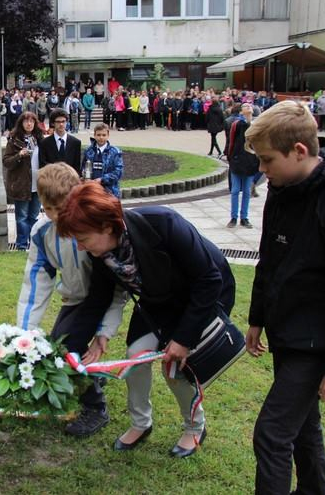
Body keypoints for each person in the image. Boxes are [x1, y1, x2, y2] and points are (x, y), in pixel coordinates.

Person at [57, 182, 235, 458]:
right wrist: (70, 347)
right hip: (158, 302)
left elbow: (209, 280)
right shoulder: (100, 253)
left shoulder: (164, 223)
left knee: (174, 367)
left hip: (201, 298)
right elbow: (97, 300)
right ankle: (141, 423)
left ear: (106, 226)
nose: (79, 246)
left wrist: (184, 339)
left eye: (83, 237)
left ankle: (194, 428)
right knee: (133, 356)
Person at [244, 100, 325, 495]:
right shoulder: (282, 187)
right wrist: (257, 316)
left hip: (317, 344)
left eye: (267, 160)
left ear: (300, 151)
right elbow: (269, 259)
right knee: (304, 429)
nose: (261, 170)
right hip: (286, 335)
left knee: (272, 435)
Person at [17, 162, 121, 436]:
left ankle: (95, 407)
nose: (55, 217)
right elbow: (36, 282)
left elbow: (118, 285)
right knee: (56, 347)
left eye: (61, 210)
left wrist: (104, 331)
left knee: (67, 347)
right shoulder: (42, 233)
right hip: (74, 299)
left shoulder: (95, 226)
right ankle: (93, 374)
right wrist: (23, 333)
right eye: (49, 209)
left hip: (102, 298)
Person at [3, 112, 44, 250]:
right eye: (26, 121)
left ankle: (33, 244)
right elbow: (6, 162)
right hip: (21, 185)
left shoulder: (40, 139)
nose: (29, 124)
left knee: (33, 216)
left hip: (37, 185)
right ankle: (21, 245)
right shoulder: (14, 140)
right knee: (22, 217)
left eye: (32, 121)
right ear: (21, 123)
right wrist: (19, 155)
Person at [225, 103, 258, 228]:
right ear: (241, 111)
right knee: (234, 191)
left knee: (246, 192)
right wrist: (230, 156)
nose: (249, 106)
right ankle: (233, 217)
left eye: (250, 105)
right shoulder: (237, 124)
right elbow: (232, 140)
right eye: (245, 106)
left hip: (250, 162)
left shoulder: (255, 125)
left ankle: (244, 218)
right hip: (237, 161)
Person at [80, 123, 123, 197]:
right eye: (98, 135)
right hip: (92, 191)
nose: (101, 137)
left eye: (104, 135)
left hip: (110, 192)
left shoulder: (115, 151)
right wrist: (84, 176)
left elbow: (118, 173)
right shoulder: (88, 150)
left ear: (108, 135)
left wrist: (101, 180)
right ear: (94, 135)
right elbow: (83, 168)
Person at [39, 108, 82, 174]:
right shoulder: (44, 143)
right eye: (58, 122)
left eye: (63, 121)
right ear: (53, 123)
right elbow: (43, 165)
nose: (61, 124)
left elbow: (77, 166)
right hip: (51, 180)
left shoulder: (76, 143)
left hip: (70, 180)